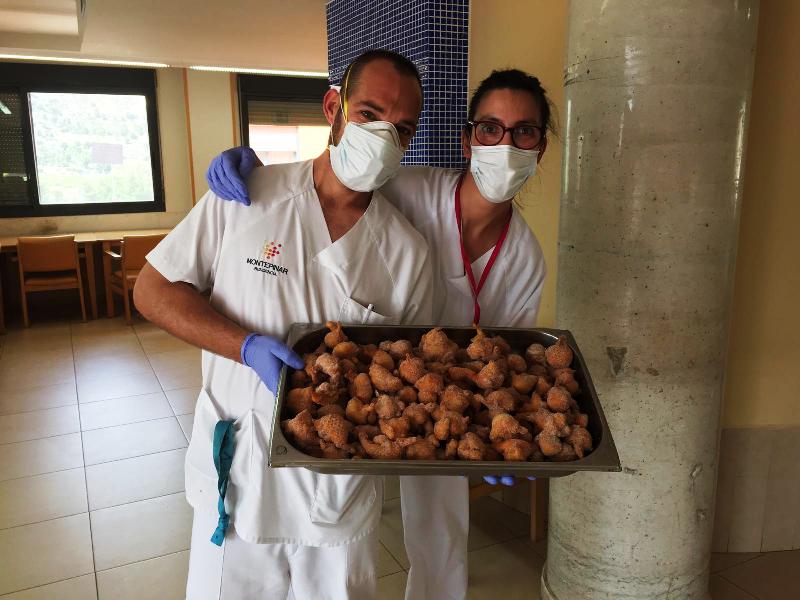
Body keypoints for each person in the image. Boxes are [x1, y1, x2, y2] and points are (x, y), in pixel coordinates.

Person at [206, 68, 552, 600]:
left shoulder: (525, 257)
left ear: (541, 147)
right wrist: (258, 170)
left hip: (449, 398)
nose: (505, 145)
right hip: (386, 374)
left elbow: (508, 357)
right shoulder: (412, 190)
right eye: (490, 129)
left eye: (523, 132)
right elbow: (336, 177)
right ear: (468, 138)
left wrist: (508, 432)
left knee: (444, 522)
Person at [133, 49, 433, 600]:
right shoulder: (248, 196)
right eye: (370, 114)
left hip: (334, 494)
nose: (386, 136)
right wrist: (243, 347)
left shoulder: (406, 254)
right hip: (240, 469)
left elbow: (413, 379)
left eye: (403, 127)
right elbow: (152, 291)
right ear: (333, 107)